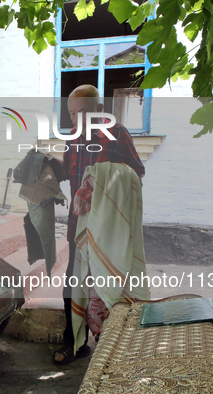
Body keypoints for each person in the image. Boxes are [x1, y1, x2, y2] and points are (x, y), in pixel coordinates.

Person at [52, 84, 145, 365]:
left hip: (108, 226)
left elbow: (136, 174)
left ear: (100, 110)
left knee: (110, 280)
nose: (76, 119)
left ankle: (110, 341)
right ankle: (74, 341)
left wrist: (103, 179)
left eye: (83, 112)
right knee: (74, 281)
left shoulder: (118, 134)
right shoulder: (72, 137)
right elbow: (70, 172)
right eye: (71, 114)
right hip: (79, 224)